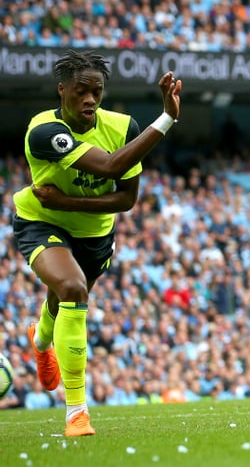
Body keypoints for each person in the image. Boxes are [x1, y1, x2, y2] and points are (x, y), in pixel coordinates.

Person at [15, 50, 182, 436]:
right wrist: (167, 119)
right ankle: (77, 413)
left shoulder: (123, 128)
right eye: (80, 91)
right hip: (42, 221)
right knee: (72, 290)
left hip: (94, 234)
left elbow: (126, 199)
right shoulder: (45, 131)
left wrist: (68, 201)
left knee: (63, 300)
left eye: (97, 91)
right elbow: (109, 167)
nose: (89, 99)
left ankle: (41, 342)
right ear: (62, 91)